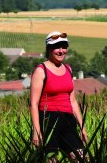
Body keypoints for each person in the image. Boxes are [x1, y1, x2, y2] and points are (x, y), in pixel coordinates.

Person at [30, 31, 87, 160]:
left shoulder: (68, 69)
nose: (61, 51)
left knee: (81, 158)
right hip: (48, 120)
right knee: (51, 159)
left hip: (68, 120)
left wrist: (82, 127)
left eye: (64, 47)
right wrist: (36, 131)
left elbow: (72, 101)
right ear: (48, 49)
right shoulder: (41, 70)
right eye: (57, 47)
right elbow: (33, 103)